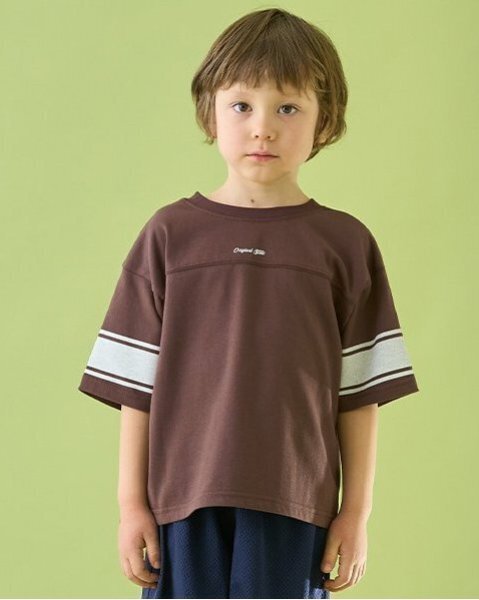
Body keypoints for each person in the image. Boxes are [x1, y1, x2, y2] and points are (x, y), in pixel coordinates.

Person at [77, 7, 419, 599]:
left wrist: (355, 515)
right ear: (210, 111)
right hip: (182, 505)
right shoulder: (169, 236)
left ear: (324, 120)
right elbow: (136, 389)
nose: (263, 128)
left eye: (288, 108)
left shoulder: (345, 245)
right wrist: (131, 505)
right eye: (241, 105)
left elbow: (360, 397)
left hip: (296, 506)